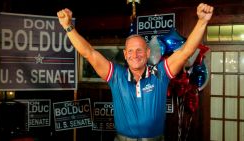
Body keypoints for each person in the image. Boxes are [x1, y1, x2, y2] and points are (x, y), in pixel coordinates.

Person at [57, 3, 213, 141]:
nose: (135, 54)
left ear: (147, 53)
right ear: (125, 55)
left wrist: (202, 21)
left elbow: (185, 52)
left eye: (140, 50)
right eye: (130, 51)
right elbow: (89, 53)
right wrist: (68, 26)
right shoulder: (116, 75)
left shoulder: (160, 73)